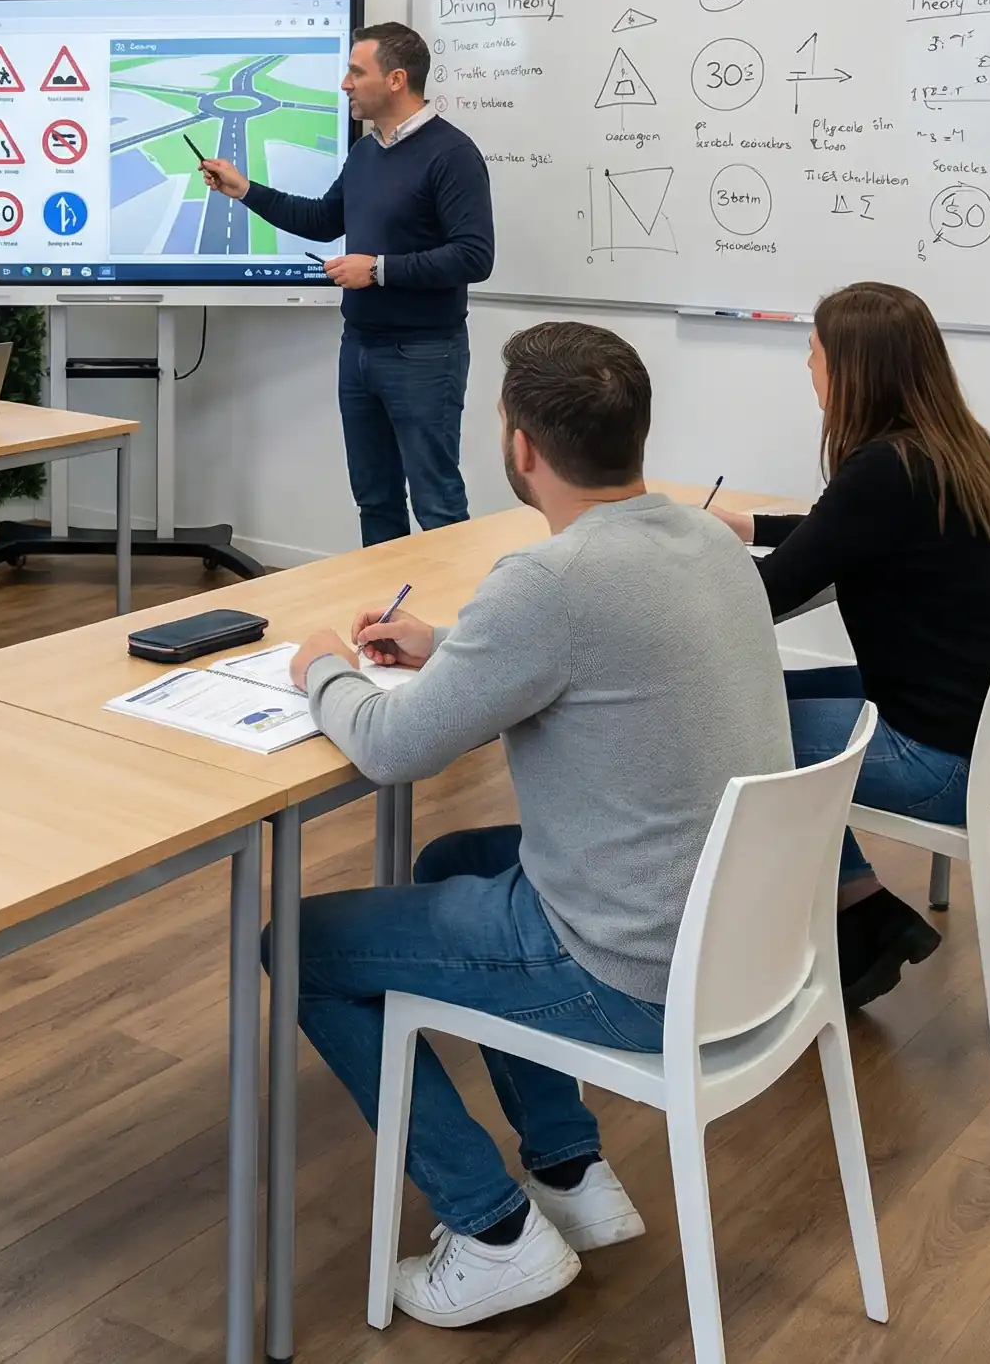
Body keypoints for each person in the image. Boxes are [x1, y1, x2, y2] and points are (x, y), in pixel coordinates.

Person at [280, 321, 790, 1328]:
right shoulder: (707, 535)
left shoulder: (547, 583)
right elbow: (580, 656)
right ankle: (568, 1166)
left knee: (298, 944)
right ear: (635, 431)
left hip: (632, 967)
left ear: (518, 445)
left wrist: (320, 667)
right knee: (453, 856)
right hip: (746, 942)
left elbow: (386, 748)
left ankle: (492, 1231)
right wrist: (446, 646)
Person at [709, 281, 990, 1010]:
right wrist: (751, 527)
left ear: (853, 370)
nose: (806, 367)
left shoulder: (883, 469)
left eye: (813, 352)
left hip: (938, 762)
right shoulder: (959, 450)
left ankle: (802, 934)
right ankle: (862, 905)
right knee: (750, 696)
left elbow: (767, 599)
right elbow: (840, 531)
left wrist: (675, 571)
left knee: (721, 722)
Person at [200, 22, 494, 547]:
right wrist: (244, 190)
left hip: (424, 354)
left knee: (437, 503)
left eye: (357, 72)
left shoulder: (452, 154)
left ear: (397, 79)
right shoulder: (365, 152)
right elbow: (320, 220)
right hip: (358, 347)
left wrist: (377, 269)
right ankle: (383, 622)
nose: (345, 84)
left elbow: (474, 256)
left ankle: (455, 627)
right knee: (374, 499)